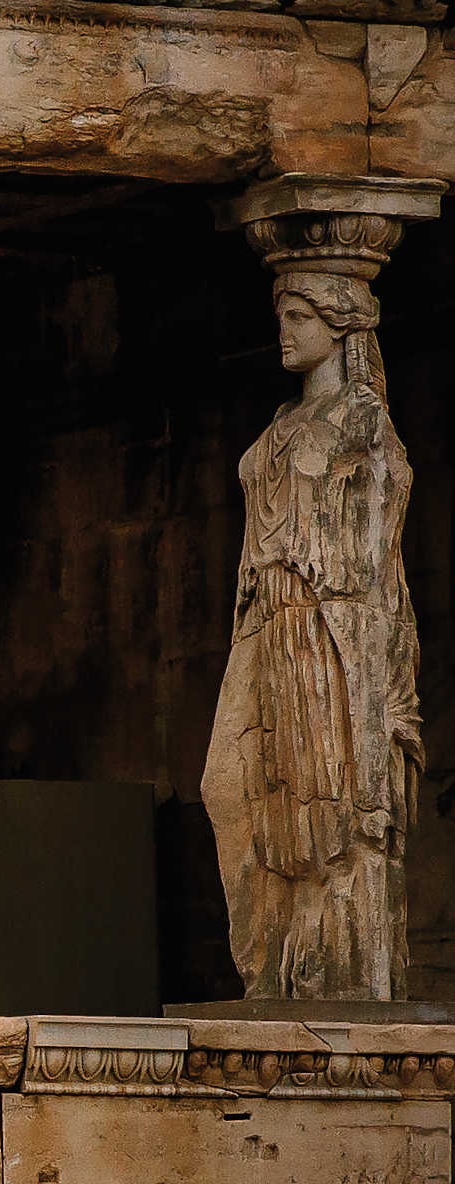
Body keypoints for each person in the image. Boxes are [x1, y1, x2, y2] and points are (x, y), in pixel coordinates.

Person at [202, 271, 422, 1001]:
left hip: (331, 634)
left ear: (340, 324)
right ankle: (271, 962)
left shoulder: (362, 425)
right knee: (227, 788)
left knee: (332, 806)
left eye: (299, 316)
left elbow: (373, 549)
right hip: (268, 626)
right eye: (282, 314)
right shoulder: (279, 428)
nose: (284, 330)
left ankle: (332, 971)